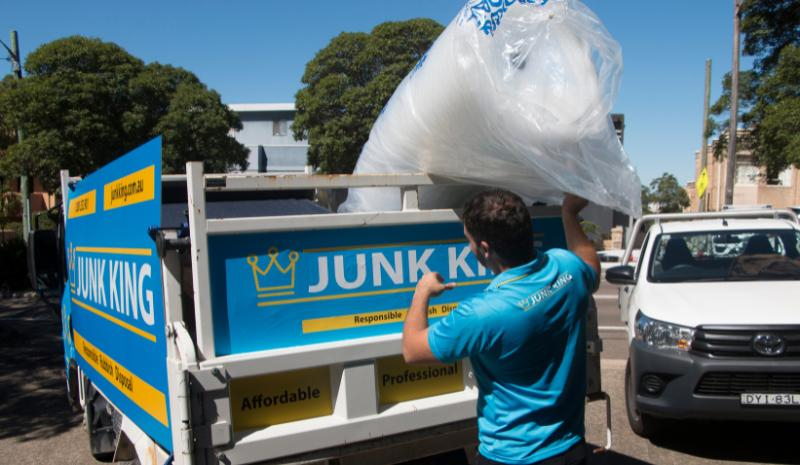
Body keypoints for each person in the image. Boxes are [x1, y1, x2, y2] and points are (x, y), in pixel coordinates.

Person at [402, 189, 599, 465]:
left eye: (468, 241)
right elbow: (591, 264)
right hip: (571, 448)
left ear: (484, 249)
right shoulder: (567, 269)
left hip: (511, 457)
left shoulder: (483, 313)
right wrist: (569, 213)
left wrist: (421, 291)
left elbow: (412, 350)